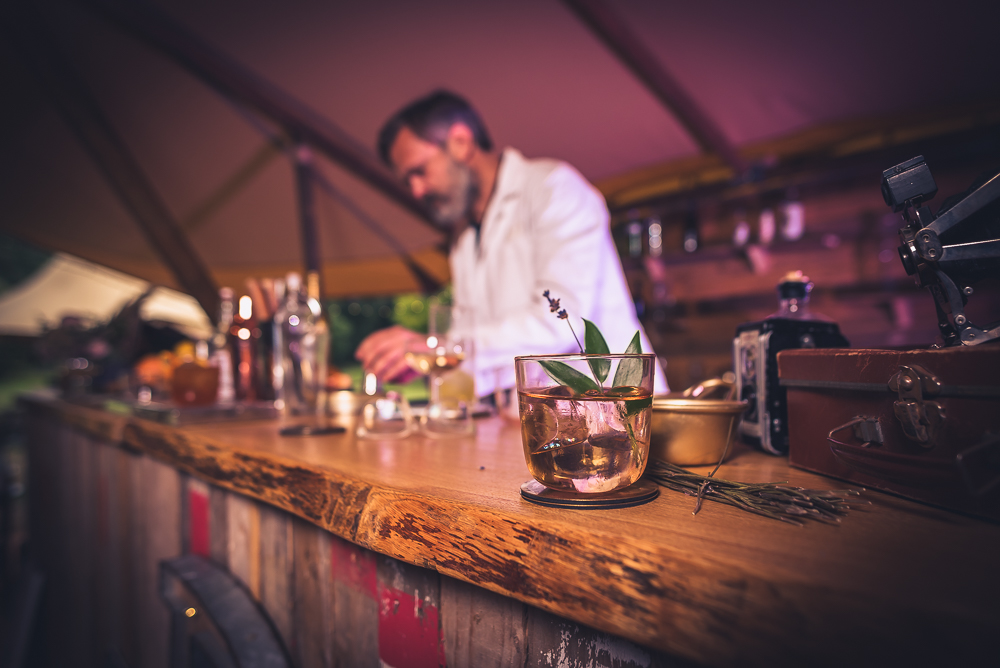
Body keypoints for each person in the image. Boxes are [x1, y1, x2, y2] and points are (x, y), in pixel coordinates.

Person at [355, 91, 668, 396]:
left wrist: (437, 347)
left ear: (461, 143)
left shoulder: (554, 189)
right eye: (407, 181)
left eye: (419, 172)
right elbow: (478, 345)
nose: (416, 191)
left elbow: (559, 323)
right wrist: (429, 364)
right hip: (536, 423)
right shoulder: (463, 236)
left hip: (616, 413)